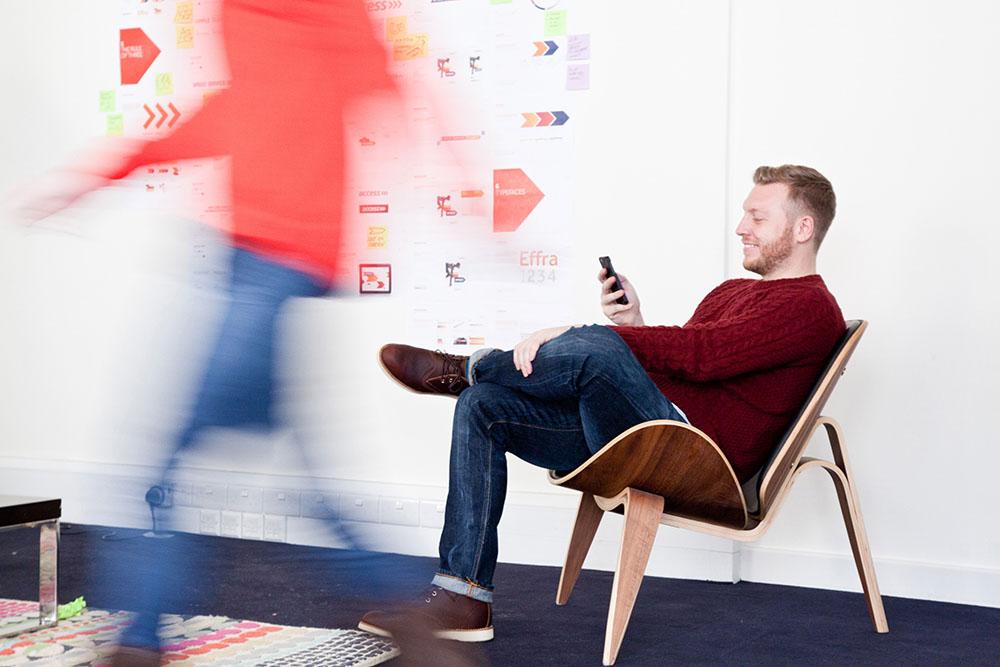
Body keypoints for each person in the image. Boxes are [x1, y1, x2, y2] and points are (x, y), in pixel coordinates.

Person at [17, 2, 402, 665]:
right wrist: (95, 177)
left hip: (264, 270)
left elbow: (326, 92)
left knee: (163, 464)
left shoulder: (286, 14)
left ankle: (140, 641)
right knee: (299, 470)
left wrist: (93, 179)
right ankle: (403, 605)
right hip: (269, 268)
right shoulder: (291, 27)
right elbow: (234, 113)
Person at [359, 165, 846, 642]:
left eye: (757, 217)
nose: (741, 227)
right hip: (651, 430)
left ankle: (467, 367)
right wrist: (633, 322)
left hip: (696, 459)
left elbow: (701, 355)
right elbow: (688, 368)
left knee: (596, 347)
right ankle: (463, 597)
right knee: (482, 406)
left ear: (803, 228)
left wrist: (585, 337)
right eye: (744, 214)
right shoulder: (732, 292)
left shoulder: (810, 307)